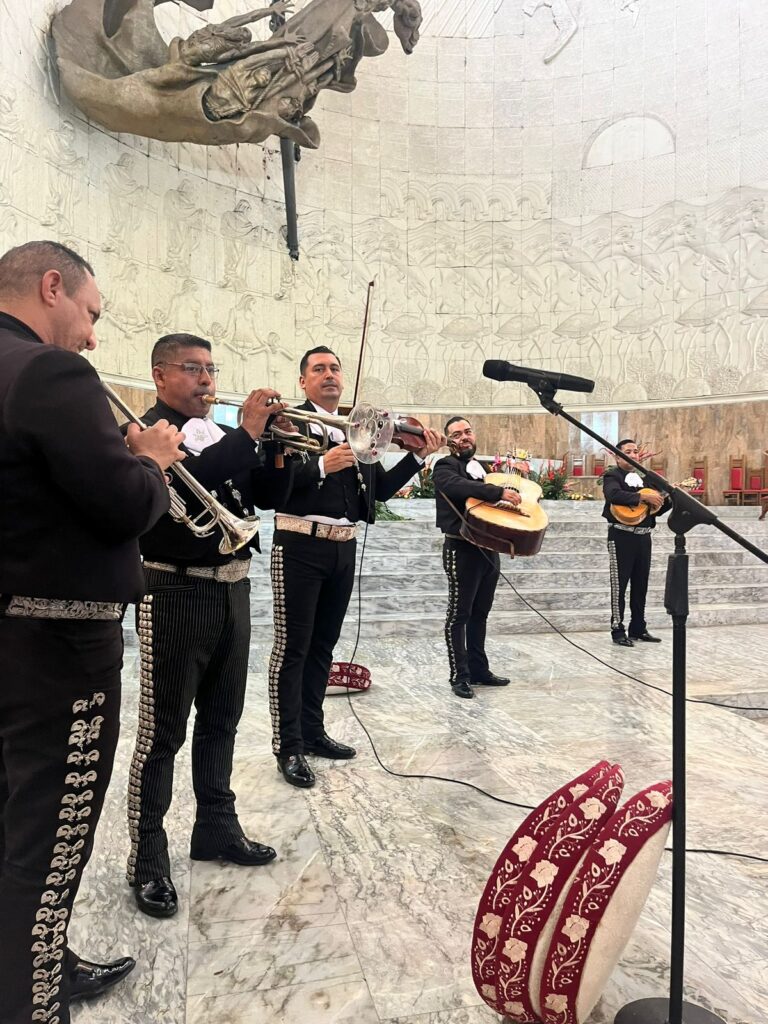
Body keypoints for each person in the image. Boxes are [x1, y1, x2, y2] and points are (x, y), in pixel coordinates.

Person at [0, 240, 184, 1023]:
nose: (92, 336)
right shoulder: (49, 372)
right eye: (90, 313)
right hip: (60, 650)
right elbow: (120, 508)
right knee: (51, 836)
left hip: (9, 635)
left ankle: (37, 962)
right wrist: (150, 462)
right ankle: (32, 1002)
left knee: (13, 820)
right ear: (52, 287)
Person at [127, 332, 294, 919]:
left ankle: (216, 827)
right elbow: (186, 493)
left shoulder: (224, 436)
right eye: (193, 369)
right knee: (163, 732)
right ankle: (148, 858)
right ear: (160, 376)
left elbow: (269, 496)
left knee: (223, 718)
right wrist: (248, 433)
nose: (207, 381)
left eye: (211, 369)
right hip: (172, 588)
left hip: (233, 589)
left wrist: (272, 448)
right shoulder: (146, 433)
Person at [268, 346, 443, 787]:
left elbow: (377, 491)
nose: (328, 375)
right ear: (303, 382)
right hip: (299, 545)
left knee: (324, 647)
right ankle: (288, 746)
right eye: (318, 369)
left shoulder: (360, 431)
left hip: (342, 548)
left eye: (334, 369)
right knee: (294, 650)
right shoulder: (288, 425)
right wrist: (320, 466)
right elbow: (271, 488)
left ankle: (312, 732)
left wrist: (417, 457)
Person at [433, 417, 520, 698]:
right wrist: (497, 492)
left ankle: (479, 670)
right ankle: (459, 675)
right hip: (461, 548)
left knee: (480, 614)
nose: (464, 437)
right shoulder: (445, 466)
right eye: (457, 434)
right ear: (448, 440)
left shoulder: (483, 469)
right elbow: (457, 487)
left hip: (488, 550)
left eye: (468, 431)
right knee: (459, 615)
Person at [601, 439, 670, 646]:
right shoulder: (613, 475)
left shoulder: (648, 478)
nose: (633, 455)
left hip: (643, 536)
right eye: (628, 452)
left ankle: (638, 627)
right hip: (621, 536)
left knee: (641, 585)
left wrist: (666, 499)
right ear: (617, 455)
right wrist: (641, 496)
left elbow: (656, 509)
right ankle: (617, 630)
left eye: (636, 451)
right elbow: (613, 495)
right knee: (619, 585)